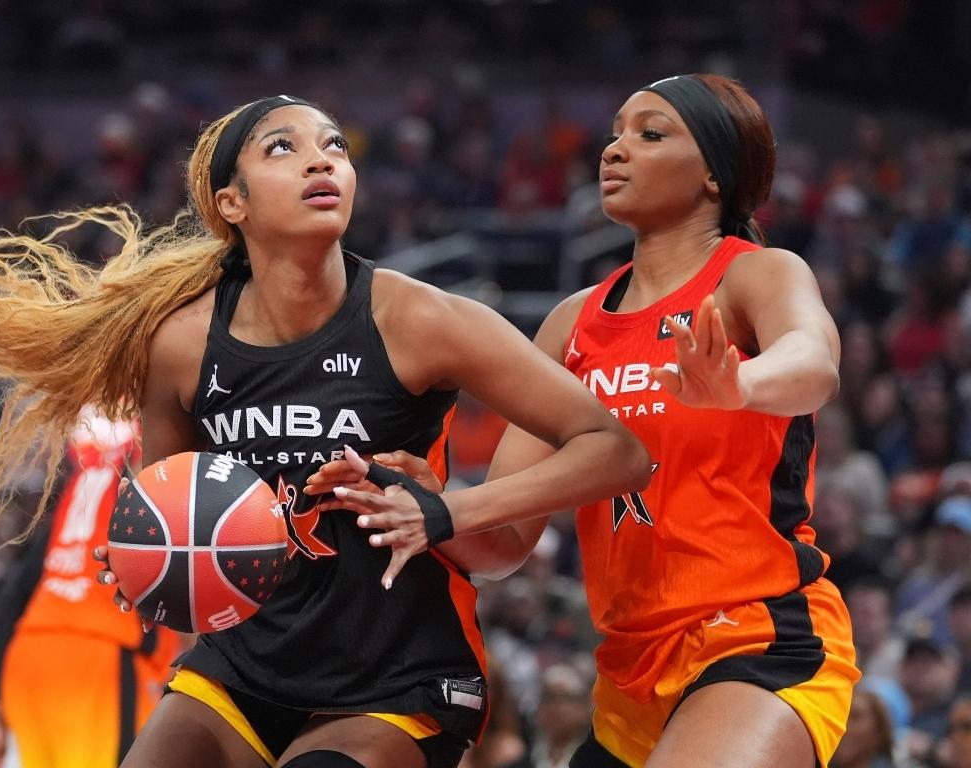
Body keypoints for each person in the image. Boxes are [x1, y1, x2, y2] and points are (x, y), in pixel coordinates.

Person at [0, 95, 651, 768]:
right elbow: (167, 504)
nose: (323, 162)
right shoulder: (180, 344)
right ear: (232, 203)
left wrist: (442, 509)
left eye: (335, 148)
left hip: (392, 678)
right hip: (241, 673)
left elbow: (616, 450)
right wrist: (146, 561)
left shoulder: (419, 319)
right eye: (285, 148)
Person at [322, 74, 861, 767]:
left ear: (714, 178)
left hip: (755, 634)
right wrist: (429, 511)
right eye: (615, 133)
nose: (615, 150)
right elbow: (507, 544)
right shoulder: (571, 322)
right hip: (627, 674)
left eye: (650, 134)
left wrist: (739, 385)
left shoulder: (754, 275)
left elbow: (815, 361)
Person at [0, 409, 180, 767]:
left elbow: (12, 595)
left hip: (28, 659)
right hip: (99, 660)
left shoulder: (78, 487)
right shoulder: (149, 496)